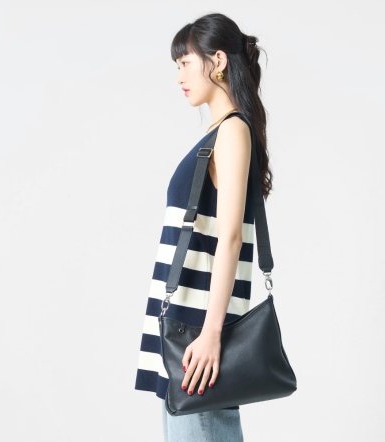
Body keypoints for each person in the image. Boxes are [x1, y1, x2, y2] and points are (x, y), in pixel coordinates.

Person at [135, 12, 272, 441]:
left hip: (198, 335)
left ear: (218, 61)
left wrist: (212, 333)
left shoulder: (232, 131)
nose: (179, 76)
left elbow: (229, 237)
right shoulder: (218, 132)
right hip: (186, 330)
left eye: (185, 63)